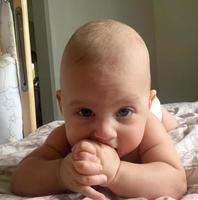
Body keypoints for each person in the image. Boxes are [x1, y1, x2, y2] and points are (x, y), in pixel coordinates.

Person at [11, 19, 186, 199]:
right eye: (86, 112)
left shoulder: (148, 128)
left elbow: (175, 182)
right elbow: (21, 179)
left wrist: (117, 173)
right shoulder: (63, 136)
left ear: (146, 104)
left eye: (123, 111)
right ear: (62, 104)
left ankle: (159, 109)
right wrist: (59, 173)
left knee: (167, 123)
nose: (104, 132)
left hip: (153, 114)